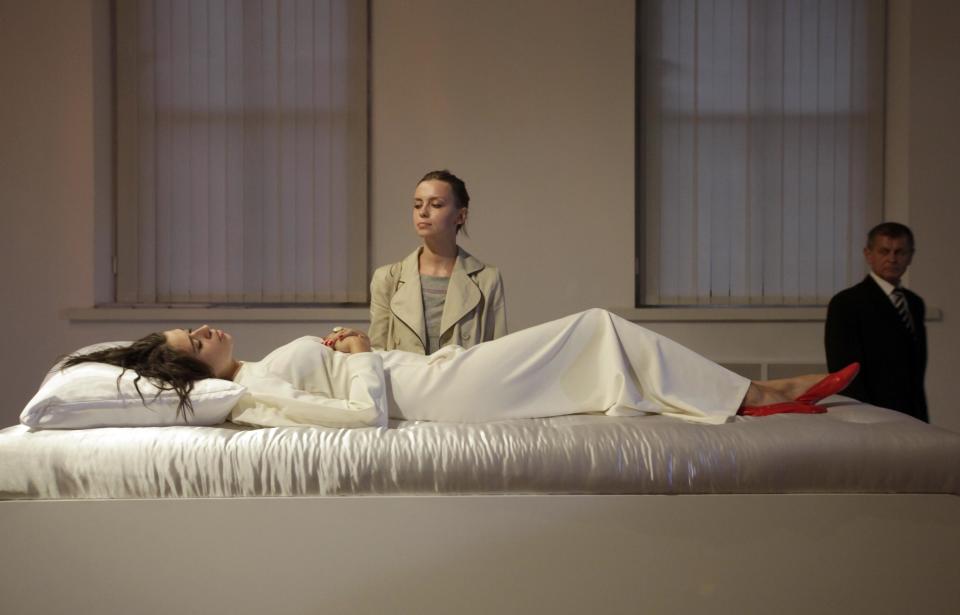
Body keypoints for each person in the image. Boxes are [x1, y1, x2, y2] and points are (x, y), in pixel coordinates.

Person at [62, 309, 858, 429]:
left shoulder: (263, 364)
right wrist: (367, 361)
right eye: (193, 341)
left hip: (430, 368)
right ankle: (756, 394)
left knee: (597, 331)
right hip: (427, 392)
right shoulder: (250, 386)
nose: (206, 329)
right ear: (193, 371)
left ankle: (743, 395)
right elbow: (358, 420)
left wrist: (353, 354)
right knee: (595, 324)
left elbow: (348, 384)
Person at [367, 170, 507, 354]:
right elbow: (377, 351)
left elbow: (498, 355)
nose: (423, 212)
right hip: (404, 382)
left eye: (436, 204)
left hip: (463, 382)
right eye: (417, 205)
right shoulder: (388, 278)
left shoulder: (486, 279)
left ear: (461, 216)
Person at [825, 222, 928, 422]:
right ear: (868, 254)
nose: (892, 259)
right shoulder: (847, 302)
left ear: (910, 256)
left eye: (900, 252)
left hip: (911, 413)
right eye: (884, 251)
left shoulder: (914, 303)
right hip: (871, 414)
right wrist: (864, 416)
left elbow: (915, 368)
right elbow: (844, 370)